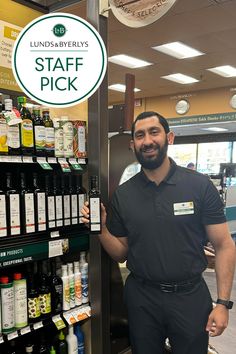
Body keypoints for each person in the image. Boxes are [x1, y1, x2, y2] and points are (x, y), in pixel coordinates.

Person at [81, 111, 235, 354]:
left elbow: (224, 245)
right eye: (140, 135)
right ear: (133, 145)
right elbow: (121, 253)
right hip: (142, 298)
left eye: (154, 132)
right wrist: (99, 227)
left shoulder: (198, 185)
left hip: (190, 297)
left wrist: (224, 303)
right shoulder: (124, 194)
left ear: (169, 137)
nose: (148, 140)